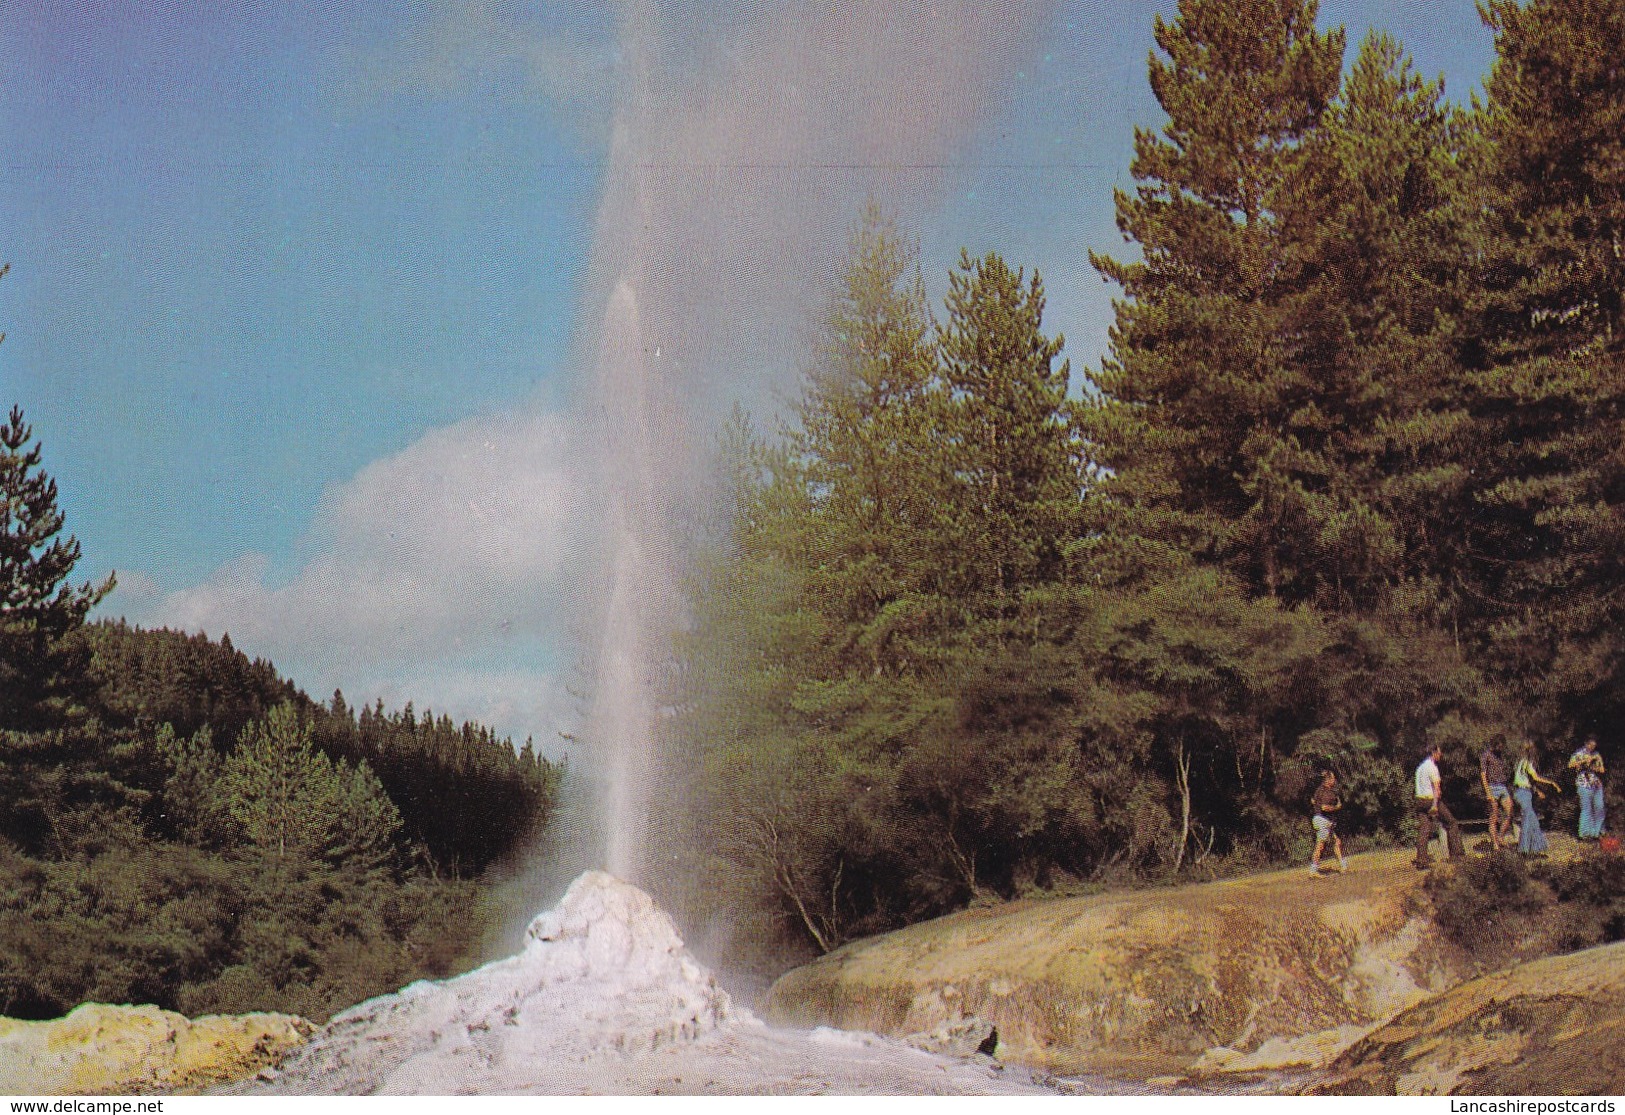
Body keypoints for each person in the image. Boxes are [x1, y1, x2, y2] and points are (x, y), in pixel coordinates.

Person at [1414, 744, 1463, 868]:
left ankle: (1421, 860)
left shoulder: (1420, 768)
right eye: (1439, 753)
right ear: (1433, 752)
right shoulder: (1432, 768)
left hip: (1419, 800)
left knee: (1424, 828)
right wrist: (1435, 805)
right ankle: (1456, 855)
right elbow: (1437, 789)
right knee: (1451, 823)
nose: (1441, 755)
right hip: (1431, 800)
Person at [1513, 741, 1561, 856]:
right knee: (1529, 819)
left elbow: (1526, 780)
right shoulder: (1527, 763)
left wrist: (1537, 790)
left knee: (1531, 819)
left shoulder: (1520, 763)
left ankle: (1532, 848)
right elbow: (1535, 777)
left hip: (1522, 791)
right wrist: (1552, 783)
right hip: (1523, 792)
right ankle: (1525, 849)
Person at [1309, 770, 1347, 876]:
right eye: (1333, 778)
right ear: (1328, 780)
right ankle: (1313, 870)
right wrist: (1336, 807)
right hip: (1323, 821)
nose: (1334, 780)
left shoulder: (1319, 790)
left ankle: (1343, 866)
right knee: (1320, 845)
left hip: (1321, 820)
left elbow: (1312, 800)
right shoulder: (1326, 792)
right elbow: (1324, 807)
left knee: (1336, 842)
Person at [1569, 736, 1606, 841]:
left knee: (1599, 808)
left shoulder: (1596, 754)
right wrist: (1584, 761)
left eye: (1594, 745)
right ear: (1586, 743)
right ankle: (1585, 834)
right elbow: (1570, 765)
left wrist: (1595, 763)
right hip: (1583, 785)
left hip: (1596, 785)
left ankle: (1597, 832)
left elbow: (1602, 770)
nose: (1592, 747)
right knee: (1586, 809)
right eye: (1590, 744)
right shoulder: (1579, 753)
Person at [1480, 742, 1515, 849]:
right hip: (1492, 787)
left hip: (1502, 786)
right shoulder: (1485, 755)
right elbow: (1483, 775)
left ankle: (1500, 837)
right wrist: (1488, 792)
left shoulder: (1500, 755)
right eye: (1499, 746)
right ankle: (1495, 844)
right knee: (1494, 816)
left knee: (1510, 812)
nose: (1501, 748)